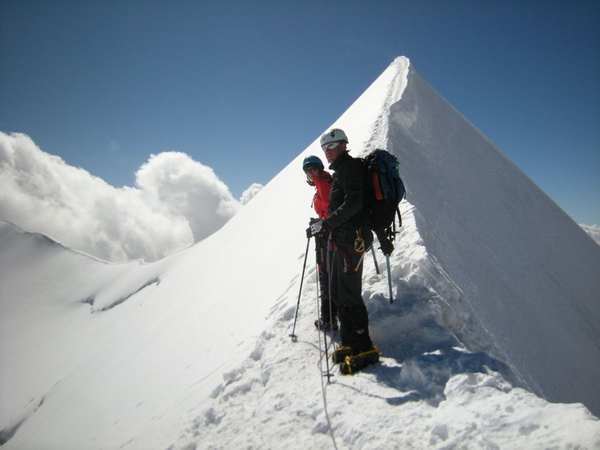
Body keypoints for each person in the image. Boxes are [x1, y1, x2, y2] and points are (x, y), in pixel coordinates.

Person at [309, 128, 379, 373]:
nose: (326, 154)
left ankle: (365, 346)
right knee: (339, 291)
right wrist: (325, 226)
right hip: (343, 240)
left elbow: (354, 203)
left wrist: (327, 223)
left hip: (353, 241)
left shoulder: (349, 168)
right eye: (324, 150)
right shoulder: (342, 170)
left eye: (329, 148)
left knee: (349, 293)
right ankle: (350, 342)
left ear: (341, 146)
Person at [302, 155, 338, 331]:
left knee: (326, 275)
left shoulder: (323, 184)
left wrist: (319, 226)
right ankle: (332, 315)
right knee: (330, 275)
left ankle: (328, 318)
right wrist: (319, 222)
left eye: (312, 169)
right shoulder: (325, 181)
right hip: (331, 235)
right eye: (308, 171)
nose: (310, 173)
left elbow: (332, 213)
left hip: (329, 238)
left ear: (319, 168)